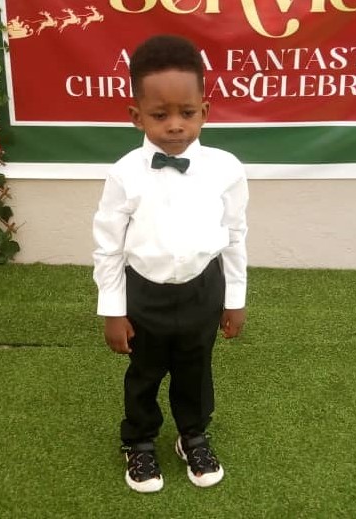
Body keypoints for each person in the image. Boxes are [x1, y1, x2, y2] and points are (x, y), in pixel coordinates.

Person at [92, 34, 249, 493]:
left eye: (187, 112)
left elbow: (235, 237)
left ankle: (192, 436)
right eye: (160, 115)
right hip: (144, 294)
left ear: (207, 108)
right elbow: (109, 247)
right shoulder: (124, 174)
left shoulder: (226, 169)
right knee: (144, 373)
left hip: (204, 289)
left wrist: (234, 300)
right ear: (135, 115)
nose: (175, 125)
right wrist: (113, 310)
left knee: (196, 370)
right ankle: (138, 442)